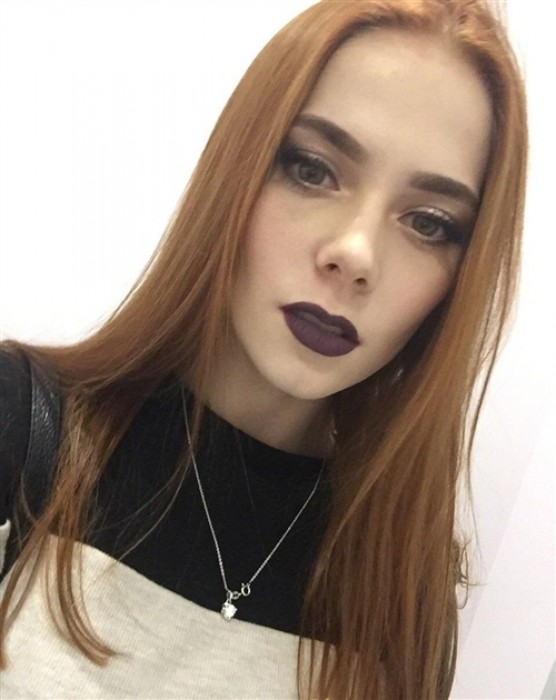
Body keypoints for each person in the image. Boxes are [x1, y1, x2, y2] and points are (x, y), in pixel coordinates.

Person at [0, 0, 527, 698]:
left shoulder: (398, 595)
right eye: (312, 169)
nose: (355, 252)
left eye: (429, 223)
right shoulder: (20, 428)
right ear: (237, 170)